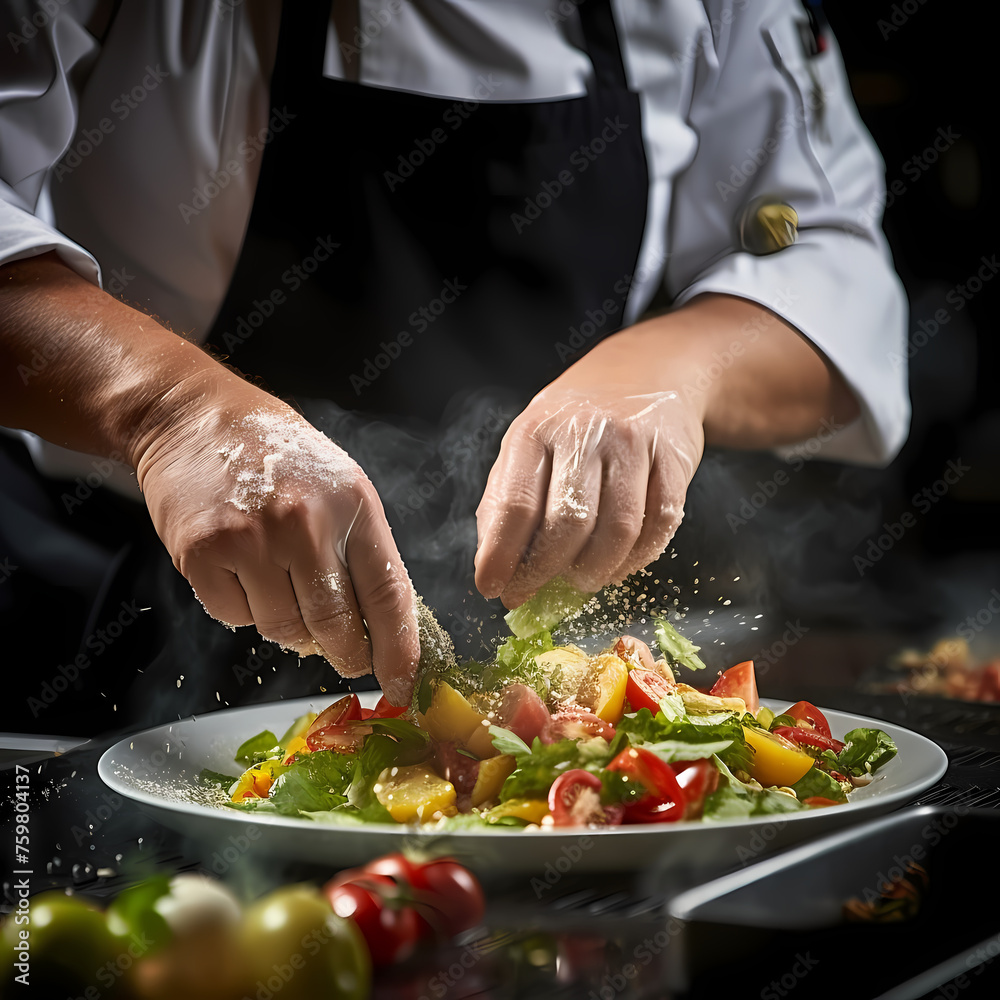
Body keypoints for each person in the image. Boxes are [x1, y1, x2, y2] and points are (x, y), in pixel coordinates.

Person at [0, 0, 907, 711]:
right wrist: (171, 415)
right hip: (122, 612)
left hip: (525, 651)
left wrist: (675, 368)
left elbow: (835, 258)